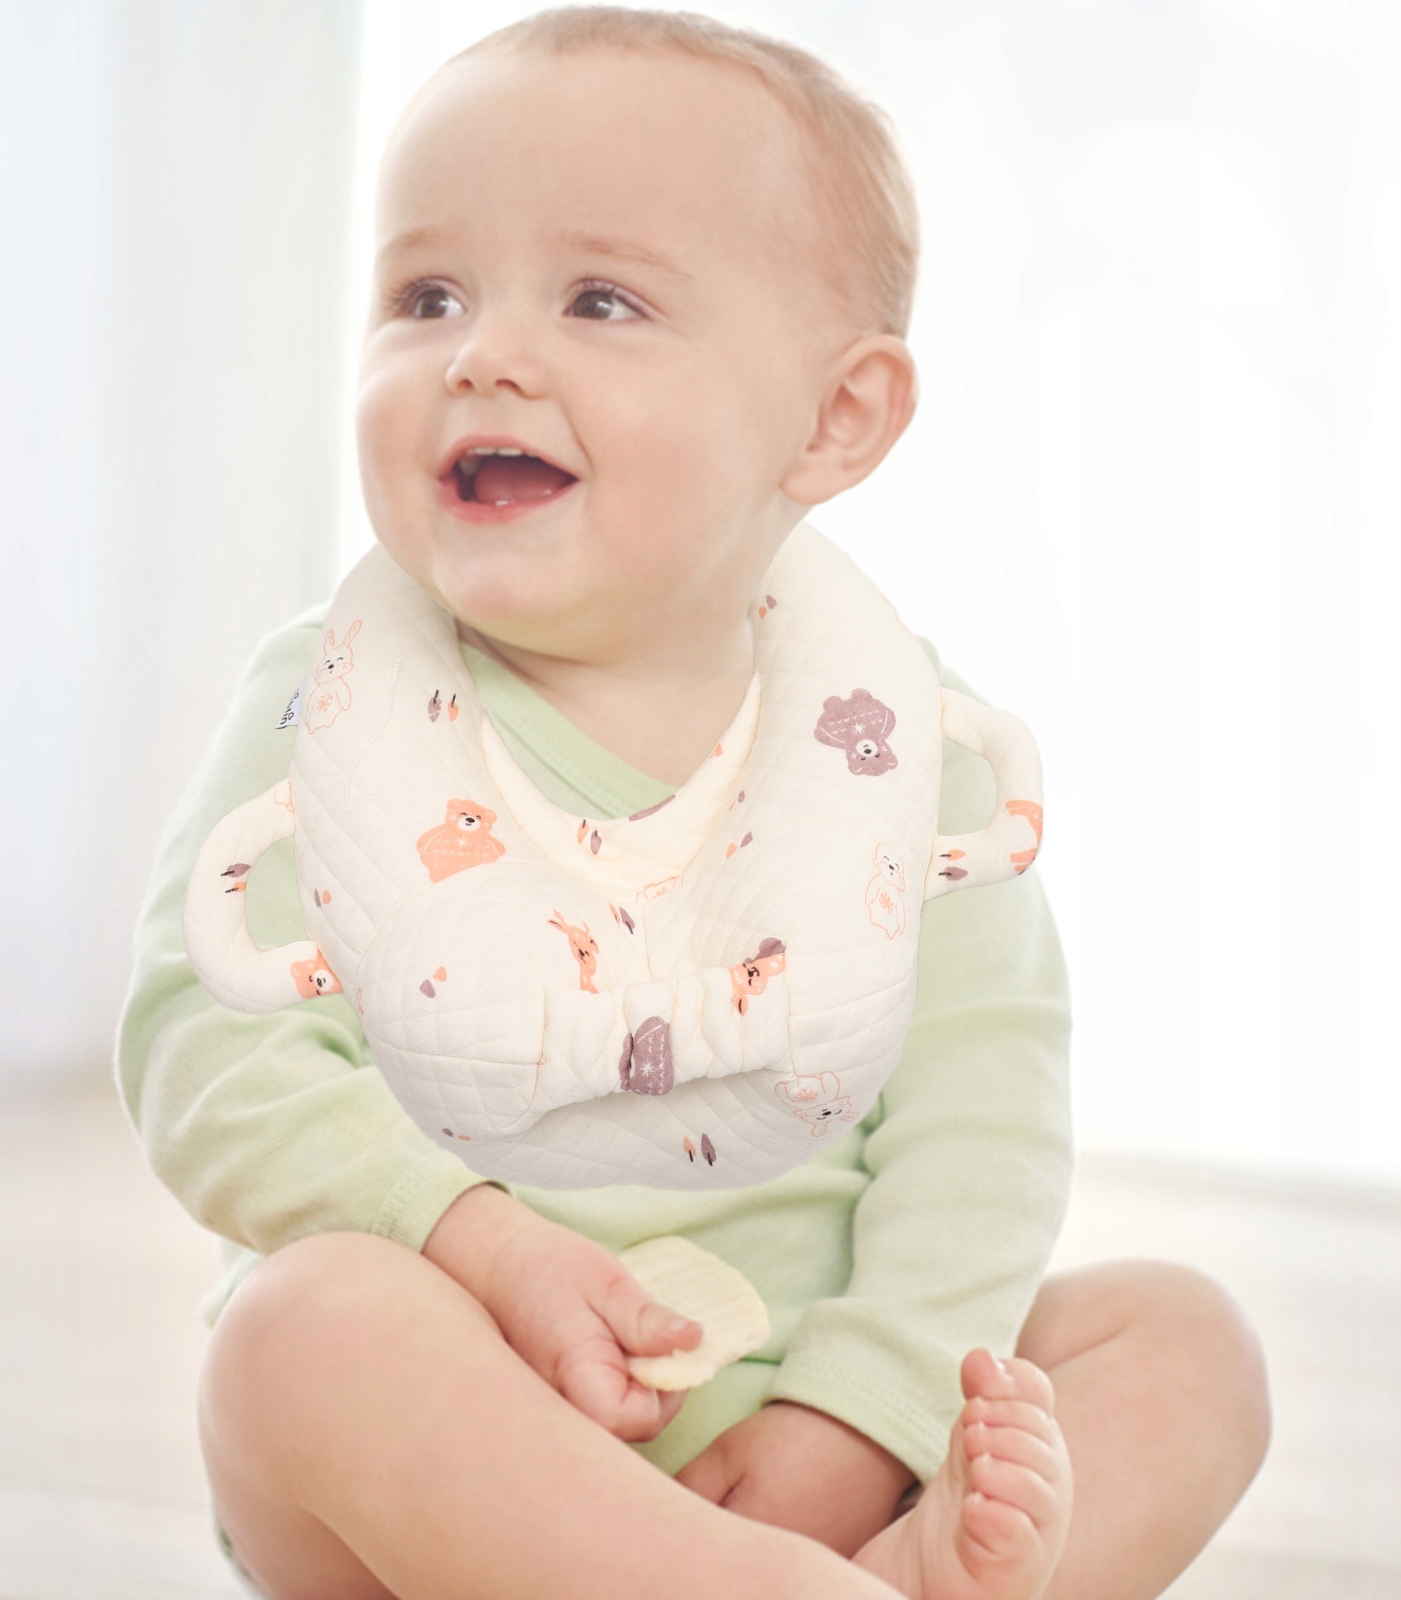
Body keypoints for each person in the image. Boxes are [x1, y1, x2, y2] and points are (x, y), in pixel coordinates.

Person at [116, 10, 1270, 1598]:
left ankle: (880, 1572)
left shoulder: (899, 751)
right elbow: (205, 1050)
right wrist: (480, 1243)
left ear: (833, 420)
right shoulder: (335, 706)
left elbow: (985, 1123)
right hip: (450, 1481)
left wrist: (858, 1419)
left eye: (601, 300)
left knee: (1185, 1344)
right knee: (300, 1326)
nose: (482, 354)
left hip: (822, 1438)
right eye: (426, 295)